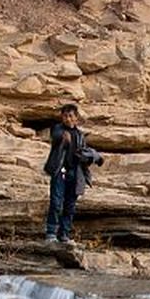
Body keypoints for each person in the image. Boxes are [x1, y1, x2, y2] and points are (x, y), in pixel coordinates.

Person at [42, 102, 100, 245]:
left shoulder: (80, 135)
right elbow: (55, 136)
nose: (67, 119)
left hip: (75, 173)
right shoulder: (58, 129)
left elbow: (84, 151)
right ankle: (51, 233)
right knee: (56, 202)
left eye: (70, 116)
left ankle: (64, 235)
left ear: (76, 118)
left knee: (70, 206)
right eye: (65, 116)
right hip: (60, 171)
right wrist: (62, 138)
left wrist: (91, 157)